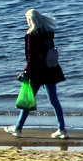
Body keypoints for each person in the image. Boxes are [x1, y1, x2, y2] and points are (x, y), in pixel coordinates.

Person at [4, 8, 68, 140]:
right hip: (50, 70)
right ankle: (62, 129)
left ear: (30, 20)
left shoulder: (30, 36)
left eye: (27, 19)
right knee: (54, 101)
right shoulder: (48, 33)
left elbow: (31, 57)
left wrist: (26, 72)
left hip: (37, 72)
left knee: (27, 101)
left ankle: (18, 128)